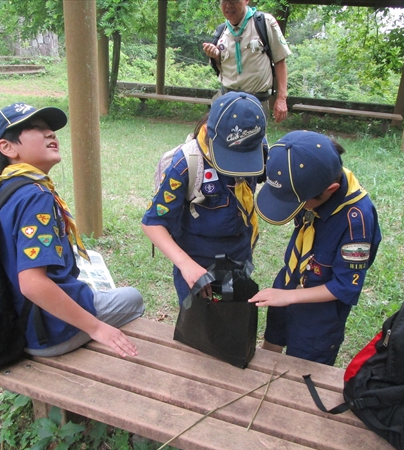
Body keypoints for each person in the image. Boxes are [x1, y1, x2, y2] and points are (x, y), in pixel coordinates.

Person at [0, 102, 144, 358]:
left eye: (50, 129)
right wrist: (97, 328)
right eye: (36, 128)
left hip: (13, 319)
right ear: (7, 147)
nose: (50, 134)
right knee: (133, 298)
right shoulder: (35, 197)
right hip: (47, 333)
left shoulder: (1, 190)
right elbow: (32, 284)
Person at [250, 130, 381, 365]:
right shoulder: (304, 177)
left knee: (301, 372)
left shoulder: (356, 220)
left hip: (320, 314)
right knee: (270, 346)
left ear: (330, 189)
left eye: (296, 202)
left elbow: (344, 287)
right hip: (288, 284)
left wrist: (289, 297)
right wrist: (285, 294)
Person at [142, 91, 267, 305]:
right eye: (232, 157)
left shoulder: (256, 145)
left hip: (239, 255)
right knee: (203, 325)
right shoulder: (187, 164)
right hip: (199, 264)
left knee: (231, 315)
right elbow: (152, 223)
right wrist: (186, 265)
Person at [203, 0, 292, 123]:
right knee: (218, 139)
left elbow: (280, 60)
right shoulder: (222, 31)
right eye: (224, 1)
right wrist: (216, 56)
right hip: (226, 100)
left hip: (256, 102)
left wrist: (281, 98)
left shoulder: (264, 22)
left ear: (246, 1)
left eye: (233, 1)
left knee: (253, 141)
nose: (228, 5)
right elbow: (222, 68)